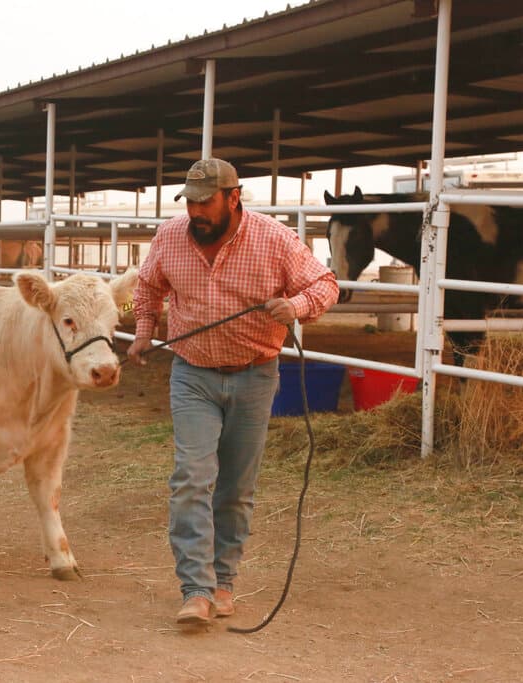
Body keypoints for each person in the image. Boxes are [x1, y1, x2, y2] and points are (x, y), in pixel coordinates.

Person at [127, 158, 339, 626]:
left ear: (233, 197)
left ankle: (224, 582)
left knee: (236, 488)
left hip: (255, 374)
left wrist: (297, 304)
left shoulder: (274, 239)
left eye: (206, 202)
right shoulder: (170, 236)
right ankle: (196, 589)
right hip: (193, 373)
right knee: (190, 478)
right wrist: (145, 329)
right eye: (191, 202)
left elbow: (325, 284)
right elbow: (148, 286)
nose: (196, 211)